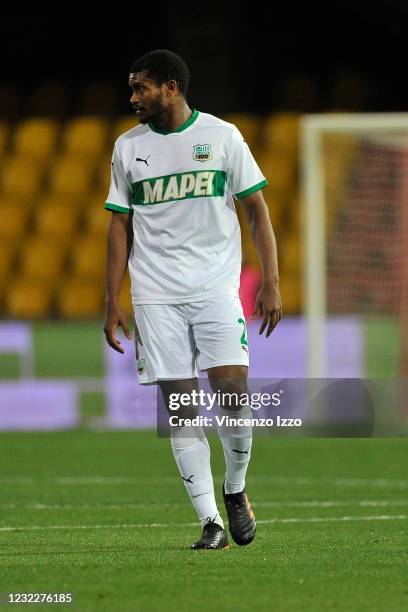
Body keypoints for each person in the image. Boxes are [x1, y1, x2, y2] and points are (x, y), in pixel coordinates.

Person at [103, 49, 282, 550]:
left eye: (142, 88)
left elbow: (257, 210)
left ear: (171, 88)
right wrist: (111, 298)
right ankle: (211, 523)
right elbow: (119, 224)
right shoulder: (127, 147)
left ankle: (235, 487)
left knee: (232, 396)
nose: (133, 97)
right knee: (180, 409)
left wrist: (271, 280)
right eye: (132, 88)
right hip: (156, 295)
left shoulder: (222, 137)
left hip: (215, 290)